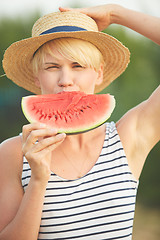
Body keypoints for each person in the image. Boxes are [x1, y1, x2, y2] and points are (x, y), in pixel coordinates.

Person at [0, 3, 159, 240]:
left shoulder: (128, 138)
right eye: (52, 67)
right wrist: (37, 179)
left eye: (78, 66)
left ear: (99, 73)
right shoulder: (13, 153)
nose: (66, 80)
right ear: (36, 76)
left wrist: (116, 14)